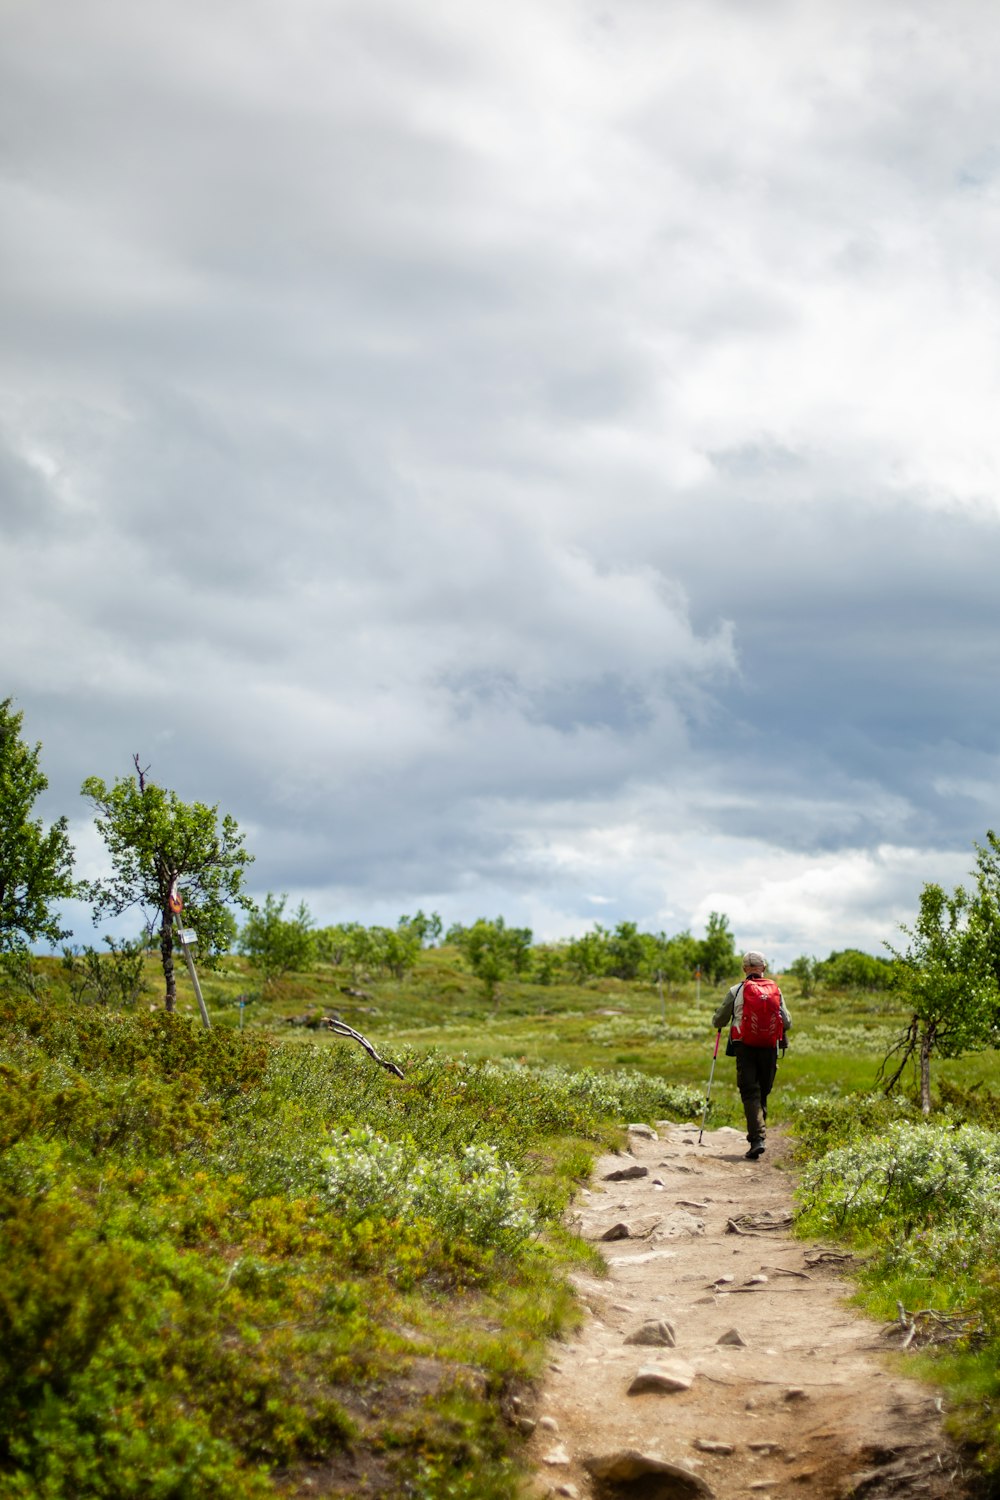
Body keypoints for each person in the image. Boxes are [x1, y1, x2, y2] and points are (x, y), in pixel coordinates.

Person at [712, 950, 792, 1161]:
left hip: (744, 1047)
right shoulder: (776, 990)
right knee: (762, 1092)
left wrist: (718, 1017)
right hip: (770, 1048)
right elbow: (788, 1022)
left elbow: (718, 1021)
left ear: (745, 969)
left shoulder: (736, 990)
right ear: (763, 968)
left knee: (749, 1092)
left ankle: (757, 1140)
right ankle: (759, 1137)